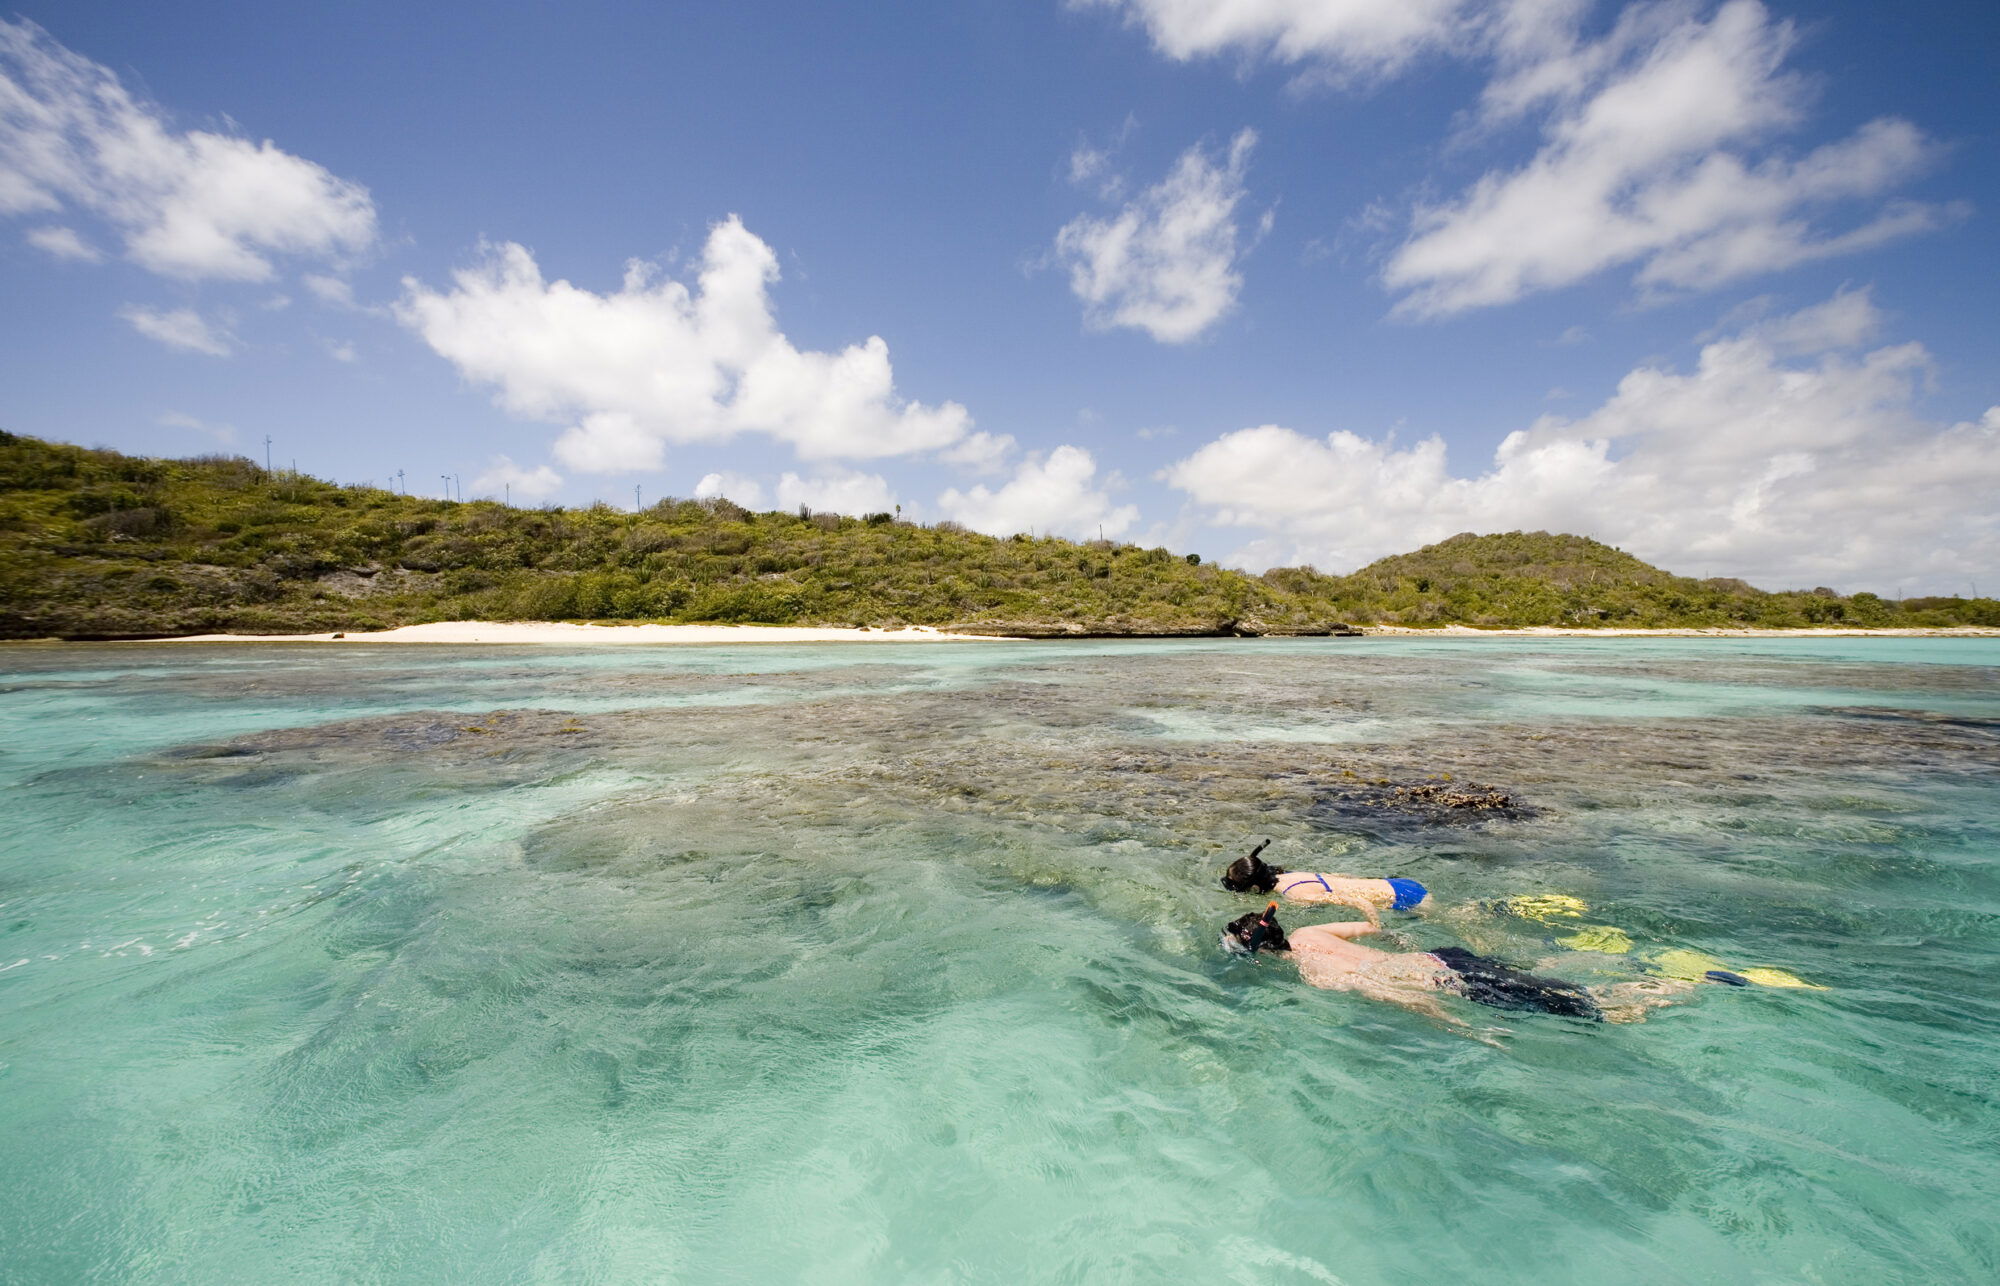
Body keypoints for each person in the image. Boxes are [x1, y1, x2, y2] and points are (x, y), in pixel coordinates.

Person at [1223, 903, 1687, 1024]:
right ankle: (1658, 982)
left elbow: (1390, 992)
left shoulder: (1313, 975)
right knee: (1548, 982)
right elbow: (1371, 927)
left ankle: (1671, 991)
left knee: (1582, 1010)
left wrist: (1451, 1022)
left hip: (1443, 983)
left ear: (1259, 952)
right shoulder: (1309, 933)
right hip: (1442, 957)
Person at [1220, 840, 1428, 924]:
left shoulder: (1295, 894)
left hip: (1405, 899)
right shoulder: (1289, 876)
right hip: (1399, 883)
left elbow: (1360, 903)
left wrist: (1376, 930)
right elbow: (1343, 878)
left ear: (1255, 888)